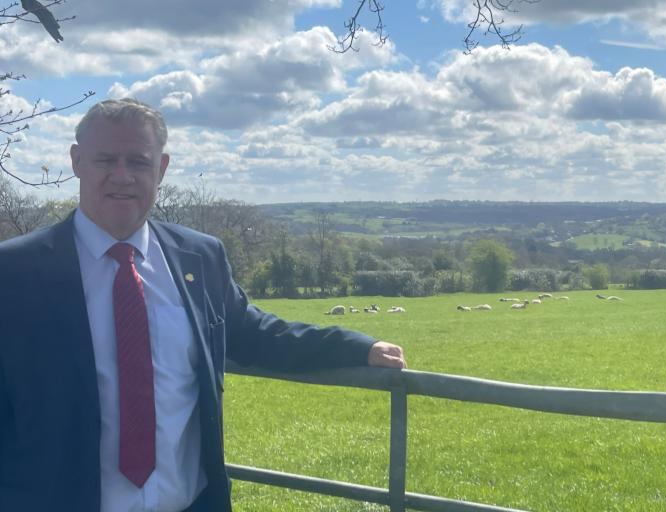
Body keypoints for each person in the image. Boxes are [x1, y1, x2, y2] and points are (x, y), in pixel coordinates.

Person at [0, 98, 406, 512]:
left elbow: (254, 332)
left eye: (138, 162)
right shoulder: (14, 273)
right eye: (106, 159)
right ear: (76, 161)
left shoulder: (199, 258)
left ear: (161, 169)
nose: (122, 176)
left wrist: (356, 347)